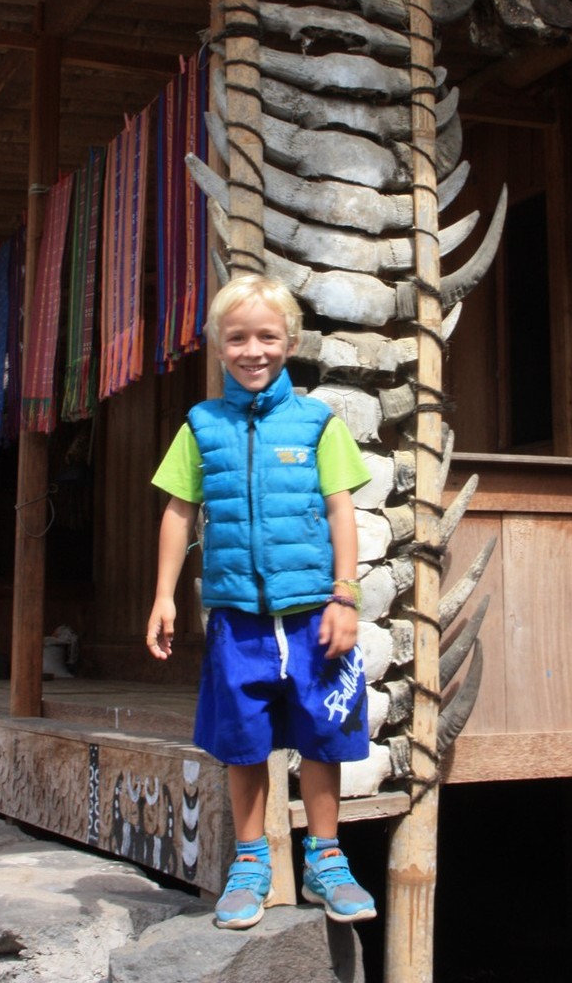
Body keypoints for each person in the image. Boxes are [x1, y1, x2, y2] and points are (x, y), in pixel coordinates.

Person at [146, 273, 376, 930]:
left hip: (313, 614)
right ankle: (250, 864)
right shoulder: (201, 426)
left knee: (324, 736)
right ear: (218, 347)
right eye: (238, 338)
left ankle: (327, 859)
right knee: (243, 743)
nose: (254, 350)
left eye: (268, 336)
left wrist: (346, 596)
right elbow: (178, 511)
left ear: (290, 342)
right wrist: (164, 595)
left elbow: (341, 512)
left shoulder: (316, 423)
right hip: (236, 622)